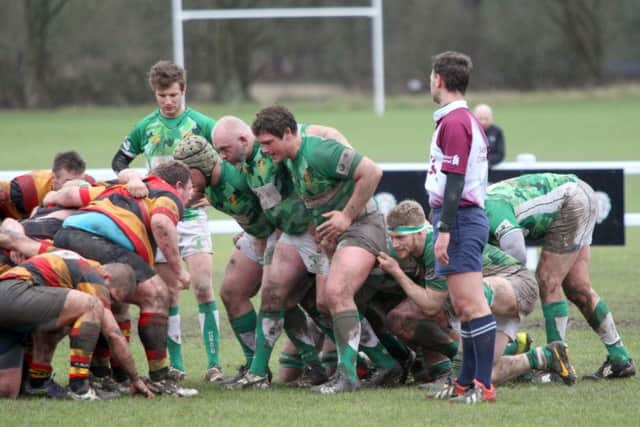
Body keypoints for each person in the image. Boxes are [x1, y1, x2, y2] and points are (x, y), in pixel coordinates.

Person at [252, 105, 398, 394]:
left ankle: (349, 378)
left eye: (268, 143)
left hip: (363, 224)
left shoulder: (318, 151)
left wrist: (345, 216)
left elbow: (372, 172)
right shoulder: (291, 158)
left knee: (336, 293)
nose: (265, 151)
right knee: (322, 302)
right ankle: (386, 363)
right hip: (337, 234)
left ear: (288, 133)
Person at [377, 200, 576, 389]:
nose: (395, 244)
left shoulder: (434, 245)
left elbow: (431, 305)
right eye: (392, 237)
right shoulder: (421, 242)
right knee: (481, 375)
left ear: (420, 233)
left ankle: (457, 370)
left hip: (516, 283)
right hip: (487, 300)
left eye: (400, 238)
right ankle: (545, 356)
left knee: (469, 296)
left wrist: (396, 272)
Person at [110, 60, 222, 382]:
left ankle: (214, 366)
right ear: (155, 94)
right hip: (159, 218)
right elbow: (119, 159)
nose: (168, 101)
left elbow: (225, 162)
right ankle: (176, 366)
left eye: (173, 94)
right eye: (162, 95)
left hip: (193, 216)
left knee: (202, 286)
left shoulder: (202, 124)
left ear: (183, 90)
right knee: (170, 294)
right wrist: (131, 176)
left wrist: (213, 194)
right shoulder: (145, 127)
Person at [49, 160, 198, 396]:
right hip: (98, 239)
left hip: (67, 236)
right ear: (179, 185)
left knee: (111, 302)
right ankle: (160, 378)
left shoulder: (118, 187)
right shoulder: (168, 193)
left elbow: (61, 197)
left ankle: (102, 375)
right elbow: (161, 222)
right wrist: (179, 270)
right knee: (157, 295)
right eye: (191, 189)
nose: (190, 196)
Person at [485, 173, 635, 379]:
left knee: (547, 280)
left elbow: (516, 251)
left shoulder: (490, 208)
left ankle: (557, 362)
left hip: (571, 200)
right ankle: (620, 358)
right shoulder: (480, 209)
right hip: (577, 193)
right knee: (578, 287)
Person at [0, 229, 153, 400]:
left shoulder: (65, 258)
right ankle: (79, 388)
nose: (108, 305)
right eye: (112, 297)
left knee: (7, 391)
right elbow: (114, 334)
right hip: (13, 292)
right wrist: (135, 379)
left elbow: (19, 241)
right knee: (91, 305)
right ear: (107, 278)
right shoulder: (93, 276)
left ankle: (36, 383)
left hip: (11, 306)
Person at [423, 51, 496, 404]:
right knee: (463, 305)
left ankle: (484, 384)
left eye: (430, 76)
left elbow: (455, 179)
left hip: (462, 219)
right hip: (458, 218)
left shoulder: (455, 122)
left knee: (472, 304)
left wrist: (446, 227)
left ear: (439, 78)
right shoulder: (459, 120)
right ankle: (466, 381)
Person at [0, 150, 91, 220]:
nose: (75, 187)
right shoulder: (29, 189)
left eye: (80, 181)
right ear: (54, 178)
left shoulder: (88, 187)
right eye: (68, 181)